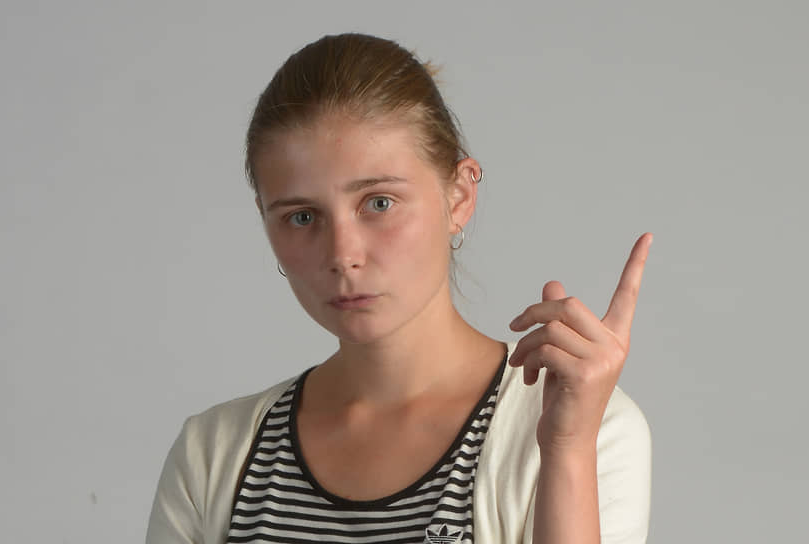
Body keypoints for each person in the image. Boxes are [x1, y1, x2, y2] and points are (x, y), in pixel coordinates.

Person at [146, 32, 652, 544]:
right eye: (302, 216)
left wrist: (566, 450)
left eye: (379, 203)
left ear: (458, 197)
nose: (343, 254)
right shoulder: (211, 457)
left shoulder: (584, 426)